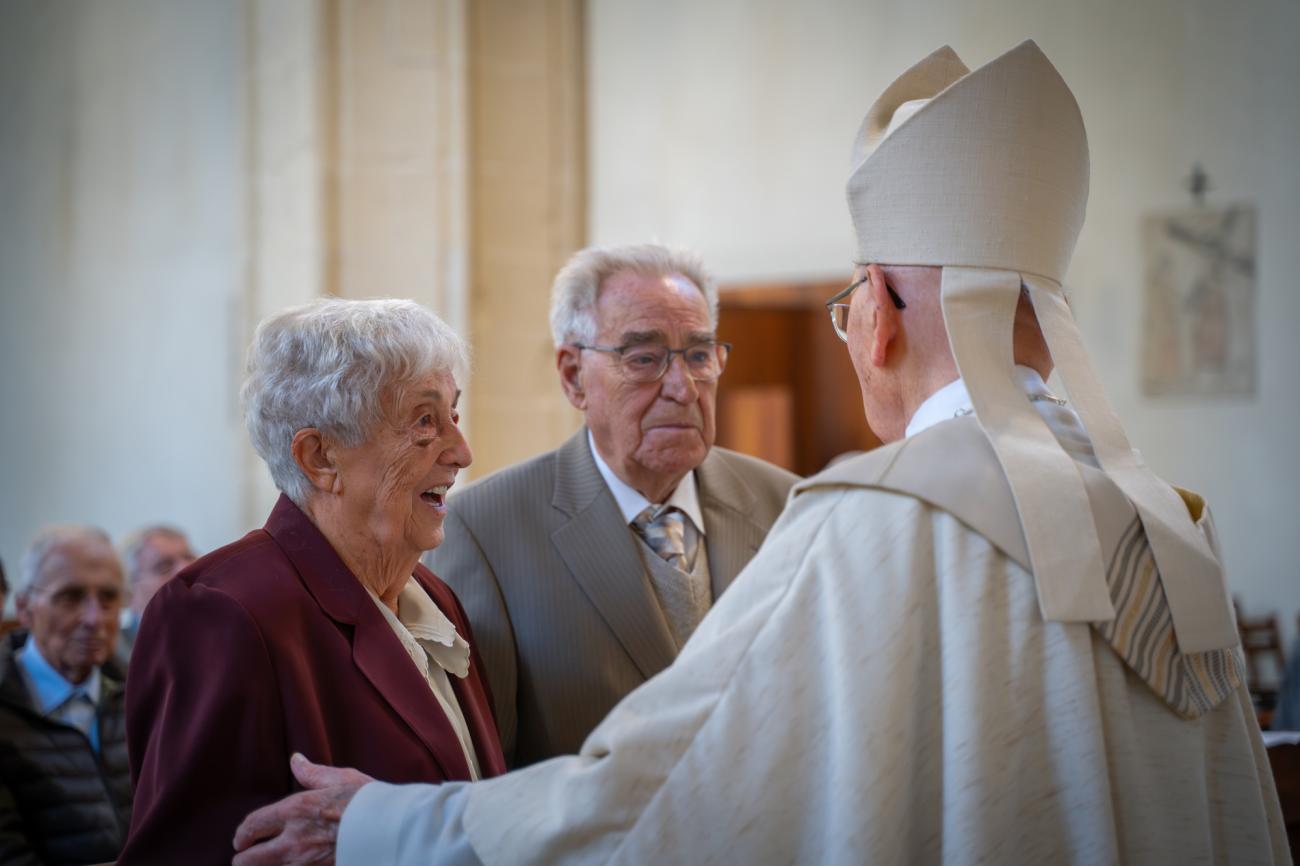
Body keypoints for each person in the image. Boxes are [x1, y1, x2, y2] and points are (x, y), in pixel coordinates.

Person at [231, 41, 1288, 865]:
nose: (682, 382)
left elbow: (664, 789)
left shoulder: (881, 515)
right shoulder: (1169, 520)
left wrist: (381, 828)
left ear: (874, 314)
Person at [119, 298, 506, 866]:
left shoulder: (435, 599)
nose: (462, 452)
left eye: (454, 413)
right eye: (425, 420)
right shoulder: (225, 611)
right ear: (321, 457)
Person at [425, 243, 797, 766]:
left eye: (698, 355)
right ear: (574, 376)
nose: (683, 388)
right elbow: (488, 773)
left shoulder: (789, 505)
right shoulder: (486, 531)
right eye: (644, 358)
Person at [0, 525, 132, 865]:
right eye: (71, 597)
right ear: (25, 608)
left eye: (108, 598)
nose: (94, 619)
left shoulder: (144, 696)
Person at [116, 524, 196, 658]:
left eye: (189, 558)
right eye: (165, 566)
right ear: (129, 592)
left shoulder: (223, 635)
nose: (187, 569)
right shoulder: (113, 654)